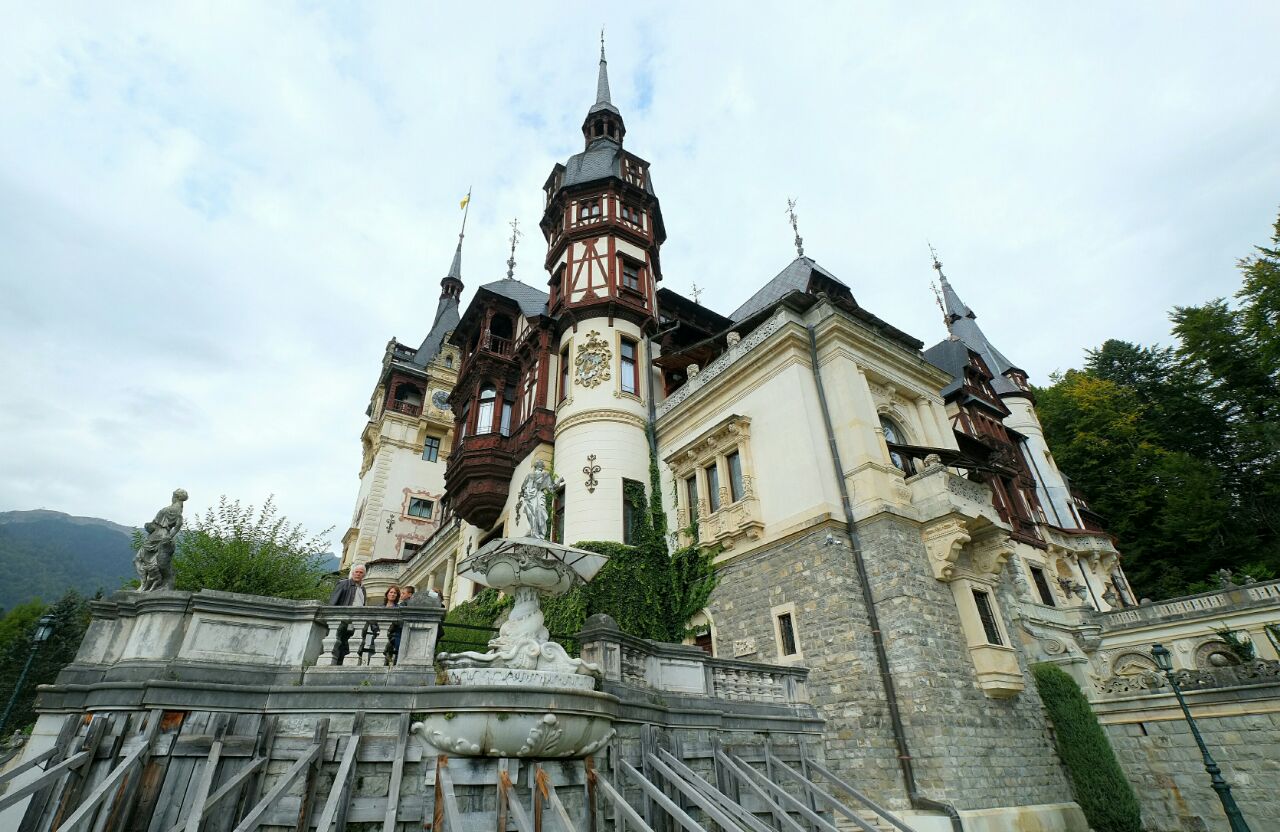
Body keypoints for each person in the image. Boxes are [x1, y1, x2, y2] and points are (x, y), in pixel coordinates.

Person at [328, 564, 366, 663]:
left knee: (350, 643)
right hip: (342, 619)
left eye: (361, 572)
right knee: (338, 641)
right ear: (352, 573)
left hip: (356, 621)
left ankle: (344, 663)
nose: (358, 574)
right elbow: (333, 602)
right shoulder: (343, 583)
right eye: (356, 572)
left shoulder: (363, 589)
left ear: (364, 575)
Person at [365, 585, 400, 664]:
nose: (393, 594)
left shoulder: (398, 608)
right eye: (391, 592)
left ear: (397, 596)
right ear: (387, 594)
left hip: (392, 635)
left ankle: (387, 662)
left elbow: (399, 623)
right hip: (378, 633)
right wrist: (376, 630)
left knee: (388, 653)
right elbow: (373, 621)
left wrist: (390, 631)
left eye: (395, 593)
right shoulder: (380, 607)